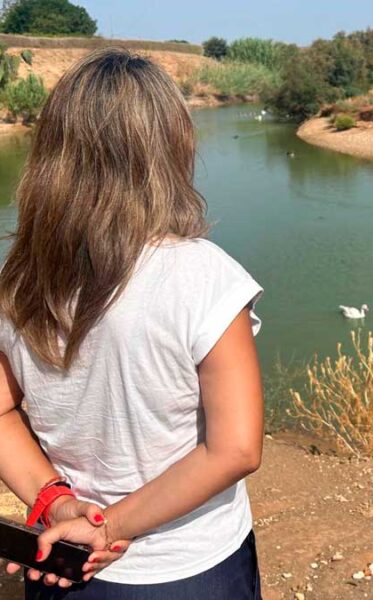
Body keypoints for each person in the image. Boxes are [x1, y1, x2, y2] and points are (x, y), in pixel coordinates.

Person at [0, 48, 264, 599]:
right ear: (171, 147)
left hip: (63, 560)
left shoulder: (21, 276)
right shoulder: (206, 277)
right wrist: (110, 528)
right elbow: (236, 448)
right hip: (190, 568)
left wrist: (51, 498)